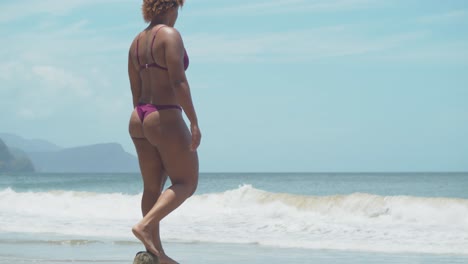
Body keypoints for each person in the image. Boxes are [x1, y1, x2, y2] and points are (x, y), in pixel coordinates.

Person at [127, 0, 200, 263]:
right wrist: (193, 121)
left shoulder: (136, 42)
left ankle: (155, 253)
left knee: (152, 187)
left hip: (139, 116)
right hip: (165, 113)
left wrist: (146, 119)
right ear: (171, 7)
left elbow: (135, 90)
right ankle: (144, 226)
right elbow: (178, 80)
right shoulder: (170, 35)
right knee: (186, 182)